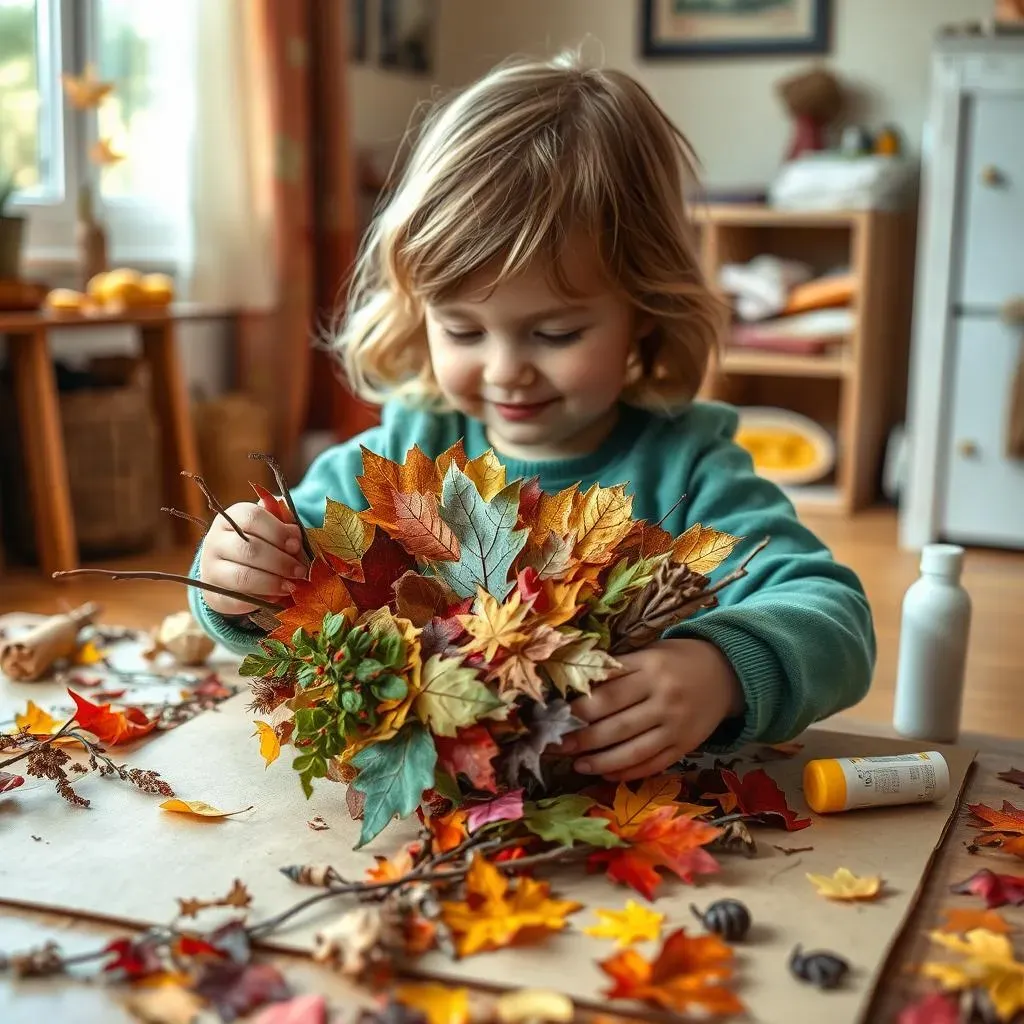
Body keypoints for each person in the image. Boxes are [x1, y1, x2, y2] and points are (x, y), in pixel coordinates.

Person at [191, 51, 875, 781]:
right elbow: (290, 595)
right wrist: (239, 574)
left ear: (643, 312)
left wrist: (720, 669)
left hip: (628, 818)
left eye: (555, 334)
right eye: (462, 330)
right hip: (442, 815)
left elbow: (836, 616)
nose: (505, 369)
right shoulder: (397, 459)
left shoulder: (691, 470)